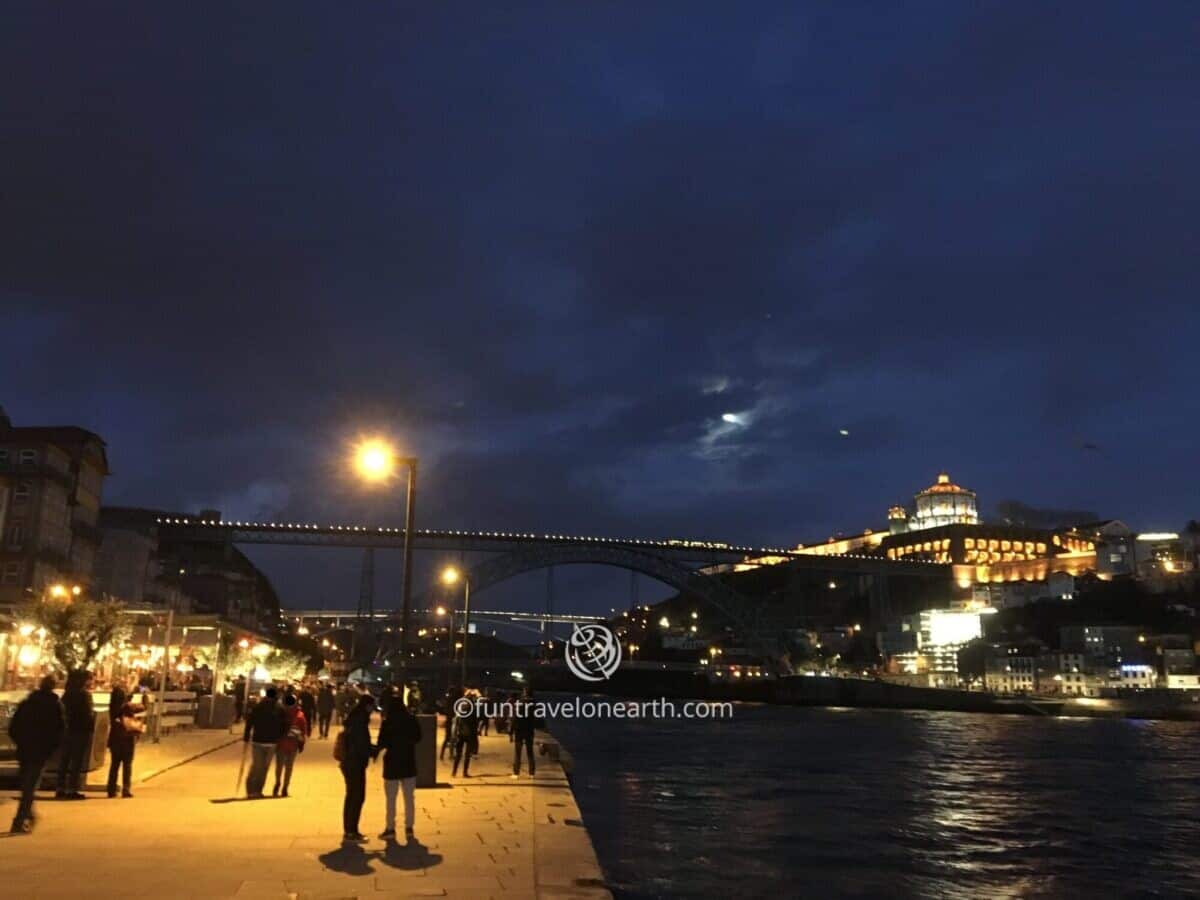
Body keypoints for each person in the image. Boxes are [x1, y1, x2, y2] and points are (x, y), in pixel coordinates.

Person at [8, 675, 66, 833]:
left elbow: (13, 727)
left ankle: (28, 816)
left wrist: (20, 741)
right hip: (41, 751)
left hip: (25, 749)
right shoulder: (54, 706)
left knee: (27, 785)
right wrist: (52, 748)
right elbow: (60, 730)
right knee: (30, 786)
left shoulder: (27, 703)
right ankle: (19, 820)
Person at [375, 688, 422, 841]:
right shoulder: (411, 719)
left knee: (391, 798)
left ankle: (390, 828)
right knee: (409, 798)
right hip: (408, 761)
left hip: (392, 763)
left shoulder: (388, 722)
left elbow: (382, 742)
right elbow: (418, 737)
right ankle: (409, 827)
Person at [339, 692, 375, 842]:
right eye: (372, 706)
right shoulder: (360, 720)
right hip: (355, 762)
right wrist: (373, 750)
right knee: (357, 796)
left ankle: (349, 830)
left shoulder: (354, 717)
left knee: (351, 796)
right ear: (367, 706)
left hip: (349, 762)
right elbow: (361, 744)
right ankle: (351, 831)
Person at [56, 670, 95, 800]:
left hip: (67, 731)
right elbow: (88, 715)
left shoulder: (67, 695)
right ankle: (72, 789)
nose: (91, 682)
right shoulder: (84, 695)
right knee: (76, 761)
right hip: (80, 731)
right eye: (89, 679)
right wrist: (90, 729)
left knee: (64, 760)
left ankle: (60, 788)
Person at [243, 687, 285, 798]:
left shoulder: (274, 708)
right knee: (260, 767)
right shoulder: (264, 707)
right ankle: (253, 790)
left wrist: (247, 737)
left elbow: (249, 722)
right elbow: (250, 721)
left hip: (265, 741)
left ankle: (255, 790)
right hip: (264, 742)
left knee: (261, 767)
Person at [106, 680, 145, 798]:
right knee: (127, 765)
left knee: (114, 765)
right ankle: (126, 789)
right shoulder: (127, 707)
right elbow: (141, 708)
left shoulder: (112, 708)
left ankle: (111, 789)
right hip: (127, 739)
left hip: (115, 738)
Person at [272, 693, 307, 797]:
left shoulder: (280, 713)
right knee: (289, 767)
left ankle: (278, 784)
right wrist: (301, 743)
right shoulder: (300, 715)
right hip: (293, 745)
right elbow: (303, 732)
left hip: (281, 743)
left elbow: (275, 728)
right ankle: (285, 788)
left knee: (279, 766)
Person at [512, 687, 540, 778]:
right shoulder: (535, 704)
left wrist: (511, 730)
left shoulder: (519, 703)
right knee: (530, 752)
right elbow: (538, 718)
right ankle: (531, 773)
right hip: (529, 730)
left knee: (518, 752)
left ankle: (516, 773)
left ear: (524, 693)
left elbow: (515, 717)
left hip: (519, 730)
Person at [452, 690, 479, 777]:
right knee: (467, 754)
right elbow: (475, 722)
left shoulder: (460, 707)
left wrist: (455, 732)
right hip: (469, 733)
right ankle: (464, 772)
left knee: (458, 754)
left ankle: (454, 772)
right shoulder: (473, 708)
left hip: (461, 733)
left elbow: (457, 720)